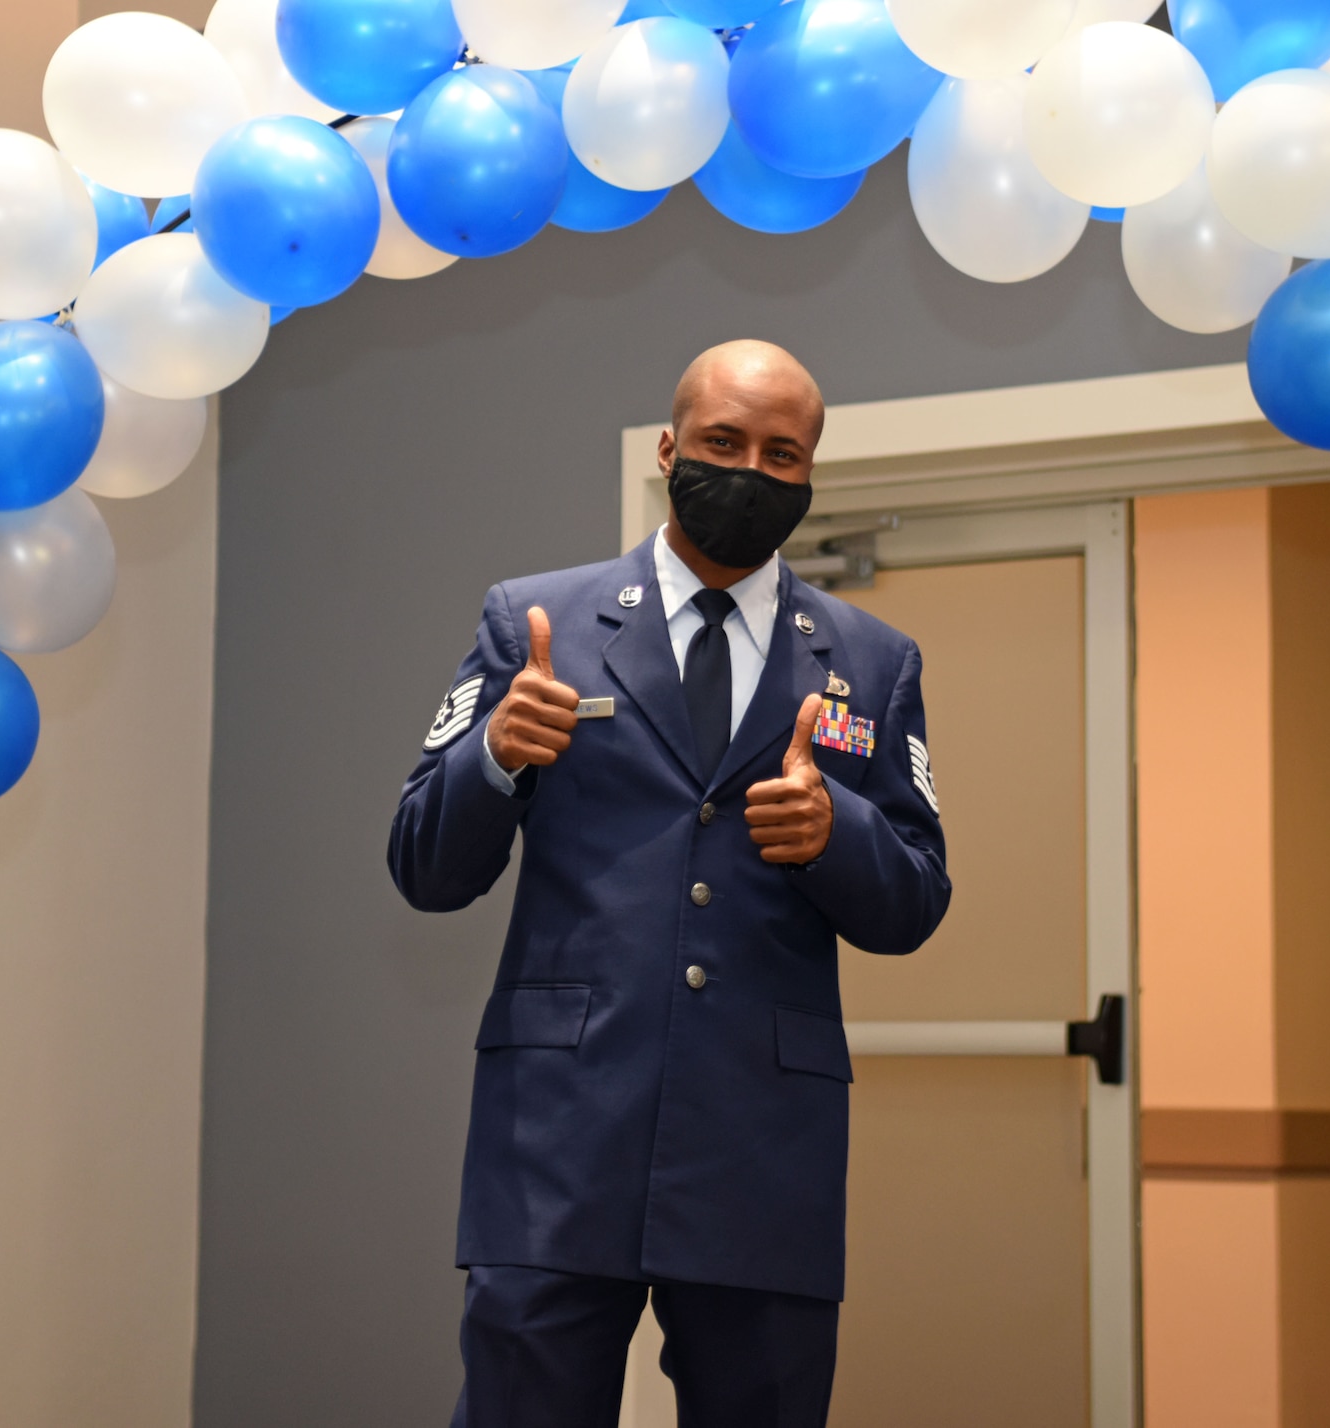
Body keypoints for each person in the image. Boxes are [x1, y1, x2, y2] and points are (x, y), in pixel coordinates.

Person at [388, 340, 951, 1428]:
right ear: (667, 449)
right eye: (722, 443)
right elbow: (422, 862)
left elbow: (916, 900)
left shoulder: (871, 664)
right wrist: (495, 756)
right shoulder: (533, 623)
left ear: (808, 477)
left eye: (780, 453)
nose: (748, 469)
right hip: (554, 1143)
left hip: (763, 1156)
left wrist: (837, 831)